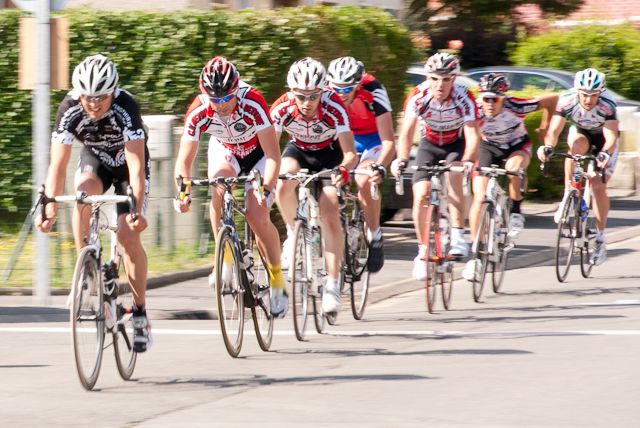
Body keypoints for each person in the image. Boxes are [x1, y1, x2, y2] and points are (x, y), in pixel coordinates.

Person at [34, 54, 152, 352]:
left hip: (127, 165)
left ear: (113, 91)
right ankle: (87, 266)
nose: (94, 104)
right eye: (88, 97)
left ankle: (139, 313)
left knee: (127, 237)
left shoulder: (127, 107)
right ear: (79, 94)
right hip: (96, 159)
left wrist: (136, 210)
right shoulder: (69, 109)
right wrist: (49, 207)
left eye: (101, 97)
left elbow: (137, 166)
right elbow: (57, 166)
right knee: (82, 194)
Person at [174, 56, 289, 317]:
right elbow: (184, 159)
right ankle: (224, 258)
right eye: (216, 100)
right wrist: (183, 192)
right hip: (227, 150)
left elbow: (273, 155)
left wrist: (267, 190)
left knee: (257, 215)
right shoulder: (199, 110)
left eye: (227, 98)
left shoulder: (253, 102)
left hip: (258, 155)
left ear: (236, 90)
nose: (222, 105)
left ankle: (278, 281)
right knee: (218, 186)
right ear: (205, 96)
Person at [271, 57, 358, 315]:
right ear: (291, 92)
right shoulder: (281, 108)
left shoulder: (335, 107)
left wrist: (344, 169)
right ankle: (291, 233)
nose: (307, 103)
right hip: (298, 149)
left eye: (313, 96)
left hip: (330, 155)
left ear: (323, 91)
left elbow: (350, 154)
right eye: (301, 96)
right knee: (283, 181)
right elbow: (270, 151)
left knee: (330, 213)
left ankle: (332, 285)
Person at [391, 52, 481, 281]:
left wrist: (468, 159)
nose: (440, 85)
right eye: (435, 78)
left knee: (455, 178)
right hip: (428, 145)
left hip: (455, 145)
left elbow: (472, 133)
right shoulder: (418, 96)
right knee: (420, 195)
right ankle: (422, 252)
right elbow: (407, 132)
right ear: (427, 77)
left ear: (455, 79)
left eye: (446, 79)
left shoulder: (464, 97)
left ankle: (459, 236)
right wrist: (401, 158)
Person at [462, 73, 558, 280]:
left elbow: (552, 100)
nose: (489, 103)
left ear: (503, 98)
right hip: (488, 147)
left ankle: (515, 210)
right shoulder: (475, 110)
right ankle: (475, 256)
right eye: (485, 98)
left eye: (494, 99)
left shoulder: (517, 106)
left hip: (517, 145)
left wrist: (544, 130)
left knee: (514, 168)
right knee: (479, 198)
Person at [537, 68, 619, 266]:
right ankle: (568, 194)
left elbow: (611, 137)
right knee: (574, 149)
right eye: (584, 95)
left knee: (597, 186)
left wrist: (605, 153)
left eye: (593, 95)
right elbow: (554, 129)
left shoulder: (607, 105)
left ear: (600, 93)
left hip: (604, 139)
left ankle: (600, 239)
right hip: (581, 132)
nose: (589, 100)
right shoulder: (567, 100)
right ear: (577, 92)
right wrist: (548, 146)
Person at [326, 56, 396, 273]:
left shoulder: (374, 91)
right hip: (344, 138)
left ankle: (374, 234)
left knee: (363, 179)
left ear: (358, 83)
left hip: (372, 139)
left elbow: (388, 142)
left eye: (347, 89)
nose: (341, 94)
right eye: (337, 88)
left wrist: (381, 166)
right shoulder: (325, 94)